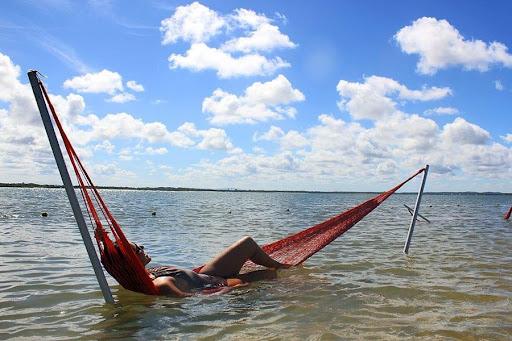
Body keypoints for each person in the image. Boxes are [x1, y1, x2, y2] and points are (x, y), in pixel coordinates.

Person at [129, 236, 290, 297]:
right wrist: (229, 288)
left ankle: (279, 265)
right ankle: (282, 268)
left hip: (208, 274)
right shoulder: (161, 283)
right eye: (138, 249)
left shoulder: (148, 273)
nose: (143, 248)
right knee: (271, 275)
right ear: (132, 259)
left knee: (247, 243)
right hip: (216, 283)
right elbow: (193, 300)